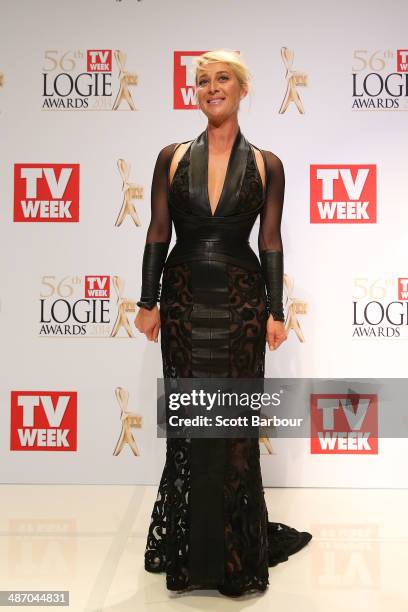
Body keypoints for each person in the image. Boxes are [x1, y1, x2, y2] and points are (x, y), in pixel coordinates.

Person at [135, 49, 312, 598]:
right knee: (191, 425)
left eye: (223, 79)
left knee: (234, 428)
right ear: (196, 92)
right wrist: (148, 300)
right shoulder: (170, 157)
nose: (212, 88)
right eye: (203, 80)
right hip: (184, 299)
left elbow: (271, 241)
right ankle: (194, 554)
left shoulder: (267, 165)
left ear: (241, 89)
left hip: (241, 303)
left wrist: (276, 311)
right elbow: (158, 232)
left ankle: (235, 555)